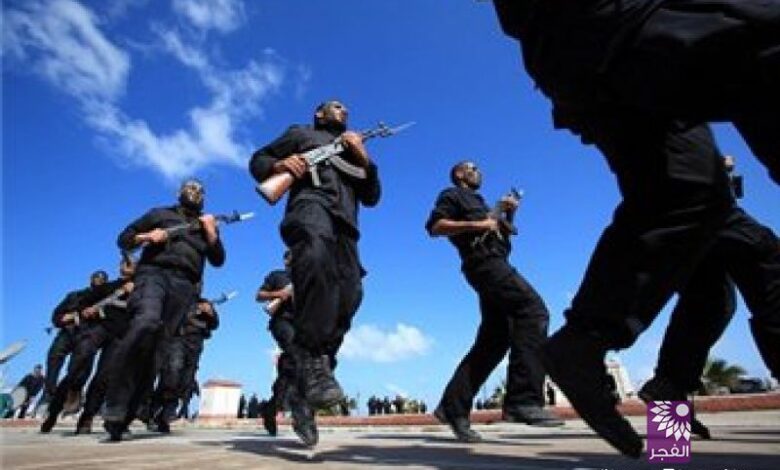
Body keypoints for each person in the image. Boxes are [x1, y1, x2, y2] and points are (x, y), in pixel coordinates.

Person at [492, 1, 780, 458]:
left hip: (582, 52)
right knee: (756, 255)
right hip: (613, 27)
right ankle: (656, 404)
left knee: (709, 290)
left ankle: (667, 438)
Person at [249, 100, 381, 446]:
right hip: (311, 209)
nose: (344, 110)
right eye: (336, 106)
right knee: (317, 258)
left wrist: (362, 156)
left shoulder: (355, 149)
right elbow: (258, 160)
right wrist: (281, 164)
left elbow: (372, 196)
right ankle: (310, 366)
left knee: (350, 296)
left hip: (347, 227)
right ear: (319, 114)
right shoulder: (301, 133)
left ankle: (304, 390)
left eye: (346, 108)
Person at [638, 156, 779, 439]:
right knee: (766, 263)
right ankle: (669, 388)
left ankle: (668, 421)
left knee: (708, 299)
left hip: (674, 204)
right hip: (696, 190)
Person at [425, 160, 561, 443]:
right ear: (459, 174)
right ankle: (523, 400)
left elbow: (504, 236)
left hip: (496, 261)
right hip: (484, 265)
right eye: (472, 168)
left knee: (495, 340)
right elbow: (435, 226)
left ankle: (453, 407)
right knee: (533, 312)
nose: (479, 172)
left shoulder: (485, 204)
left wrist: (509, 214)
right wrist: (479, 223)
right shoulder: (452, 195)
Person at [103, 178, 225, 441]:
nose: (195, 192)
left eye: (200, 190)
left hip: (185, 286)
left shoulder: (206, 224)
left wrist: (211, 232)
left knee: (159, 349)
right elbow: (124, 239)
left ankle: (126, 414)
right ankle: (114, 401)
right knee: (146, 322)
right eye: (190, 188)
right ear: (179, 192)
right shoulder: (159, 214)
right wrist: (147, 236)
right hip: (153, 274)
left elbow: (218, 260)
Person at [41, 259, 135, 433]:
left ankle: (87, 417)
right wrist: (86, 310)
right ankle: (53, 412)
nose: (128, 265)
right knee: (76, 368)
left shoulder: (145, 290)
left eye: (133, 263)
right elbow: (84, 301)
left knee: (103, 377)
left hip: (120, 337)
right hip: (99, 330)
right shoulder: (108, 287)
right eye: (125, 263)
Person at [39, 270, 109, 410]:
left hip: (89, 335)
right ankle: (49, 395)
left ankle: (72, 397)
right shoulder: (74, 295)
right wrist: (68, 317)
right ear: (91, 279)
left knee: (80, 369)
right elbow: (56, 315)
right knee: (54, 357)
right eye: (96, 277)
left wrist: (99, 315)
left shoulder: (107, 300)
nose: (99, 280)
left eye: (102, 279)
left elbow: (110, 320)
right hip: (68, 332)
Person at [150, 294, 219, 433]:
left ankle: (165, 415)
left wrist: (210, 313)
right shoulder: (177, 297)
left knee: (186, 380)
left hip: (195, 343)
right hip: (178, 339)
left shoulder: (204, 302)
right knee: (173, 372)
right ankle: (156, 409)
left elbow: (214, 324)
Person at [256, 250, 295, 437]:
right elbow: (259, 295)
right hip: (282, 322)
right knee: (295, 354)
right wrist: (279, 294)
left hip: (303, 325)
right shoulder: (277, 275)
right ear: (286, 260)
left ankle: (271, 408)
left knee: (292, 368)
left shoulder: (309, 276)